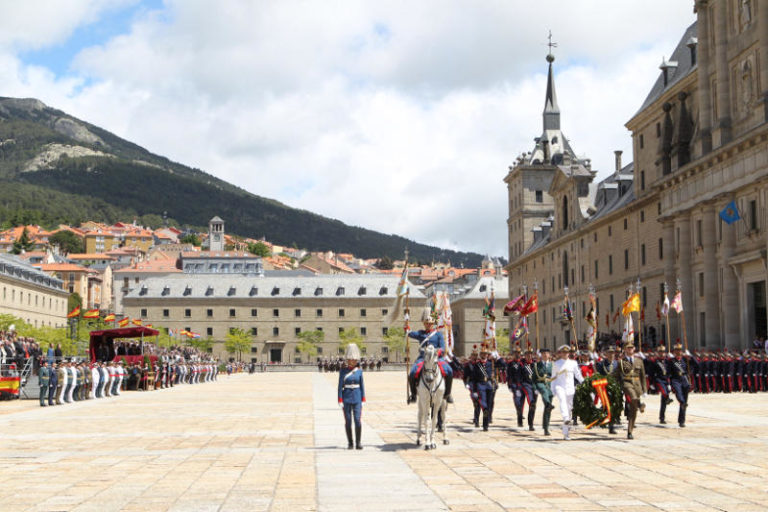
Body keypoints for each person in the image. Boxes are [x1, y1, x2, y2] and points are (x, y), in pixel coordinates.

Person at [407, 308, 453, 404]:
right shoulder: (420, 333)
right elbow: (409, 333)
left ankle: (447, 394)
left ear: (433, 324)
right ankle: (414, 395)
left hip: (436, 358)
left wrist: (437, 353)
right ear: (424, 324)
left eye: (430, 324)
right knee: (412, 373)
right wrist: (406, 321)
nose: (428, 325)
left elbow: (443, 348)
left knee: (449, 371)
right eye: (427, 323)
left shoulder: (438, 335)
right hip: (423, 358)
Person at [612, 342, 647, 439]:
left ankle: (630, 431)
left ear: (634, 348)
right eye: (628, 348)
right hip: (627, 383)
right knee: (633, 397)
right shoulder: (621, 362)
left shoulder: (639, 361)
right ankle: (640, 404)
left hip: (637, 385)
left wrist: (645, 390)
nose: (630, 349)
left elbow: (643, 376)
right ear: (625, 350)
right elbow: (615, 374)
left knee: (633, 410)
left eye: (632, 348)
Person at [550, 344, 584, 440]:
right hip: (559, 387)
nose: (565, 354)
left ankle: (566, 433)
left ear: (569, 353)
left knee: (569, 408)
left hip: (570, 388)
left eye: (567, 352)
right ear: (560, 353)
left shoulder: (573, 363)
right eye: (563, 352)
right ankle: (565, 418)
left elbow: (578, 375)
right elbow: (553, 378)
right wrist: (552, 390)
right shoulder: (556, 364)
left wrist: (584, 382)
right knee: (562, 402)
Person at [338, 343, 366, 450]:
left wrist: (363, 398)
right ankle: (350, 443)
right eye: (351, 359)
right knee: (348, 421)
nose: (353, 361)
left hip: (357, 398)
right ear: (348, 360)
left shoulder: (359, 371)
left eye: (354, 360)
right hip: (346, 398)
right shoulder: (343, 371)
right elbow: (340, 386)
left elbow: (362, 385)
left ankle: (358, 443)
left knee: (358, 420)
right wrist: (340, 399)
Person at [668, 343, 691, 427]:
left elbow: (696, 365)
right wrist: (668, 383)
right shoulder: (671, 361)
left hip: (684, 381)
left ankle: (682, 421)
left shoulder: (685, 360)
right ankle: (681, 402)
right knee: (679, 395)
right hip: (675, 380)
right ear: (674, 351)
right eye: (677, 350)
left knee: (685, 401)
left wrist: (690, 356)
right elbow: (668, 372)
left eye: (680, 350)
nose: (678, 352)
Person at [534, 348, 554, 435]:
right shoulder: (536, 365)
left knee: (548, 409)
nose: (545, 355)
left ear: (549, 355)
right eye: (543, 353)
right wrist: (535, 388)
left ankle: (546, 427)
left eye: (547, 353)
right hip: (541, 384)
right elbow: (534, 378)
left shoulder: (553, 365)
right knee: (544, 392)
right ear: (541, 355)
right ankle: (548, 404)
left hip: (550, 386)